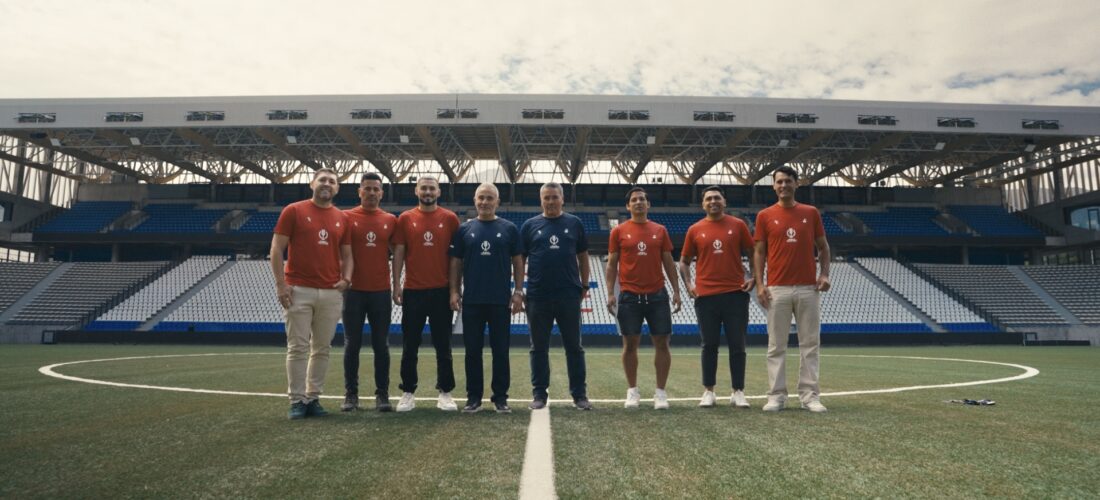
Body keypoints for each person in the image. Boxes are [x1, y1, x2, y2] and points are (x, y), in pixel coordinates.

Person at [270, 167, 353, 420]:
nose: (327, 184)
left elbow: (347, 254)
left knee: (322, 348)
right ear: (312, 183)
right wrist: (281, 284)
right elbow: (277, 248)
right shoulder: (294, 210)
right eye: (322, 180)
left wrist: (346, 279)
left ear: (337, 188)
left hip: (330, 292)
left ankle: (313, 397)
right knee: (297, 347)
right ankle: (297, 400)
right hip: (299, 289)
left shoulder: (342, 218)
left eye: (332, 181)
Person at [753, 165, 831, 413]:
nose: (783, 185)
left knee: (810, 344)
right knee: (776, 345)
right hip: (777, 288)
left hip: (808, 288)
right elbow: (759, 252)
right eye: (779, 182)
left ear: (797, 184)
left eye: (788, 181)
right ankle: (776, 396)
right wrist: (760, 284)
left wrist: (824, 274)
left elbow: (823, 247)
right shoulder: (764, 216)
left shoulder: (810, 212)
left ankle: (809, 396)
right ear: (773, 186)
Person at [448, 183, 525, 414]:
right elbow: (456, 263)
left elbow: (518, 261)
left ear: (497, 202)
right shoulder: (464, 229)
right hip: (472, 301)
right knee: (472, 352)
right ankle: (474, 398)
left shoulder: (509, 228)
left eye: (490, 198)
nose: (485, 202)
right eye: (481, 197)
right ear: (475, 200)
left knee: (500, 351)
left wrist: (518, 291)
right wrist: (454, 290)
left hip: (500, 301)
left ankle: (500, 398)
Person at [678, 185, 756, 409]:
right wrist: (689, 283)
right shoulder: (695, 229)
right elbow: (684, 261)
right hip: (706, 296)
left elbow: (753, 253)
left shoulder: (738, 225)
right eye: (709, 198)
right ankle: (709, 391)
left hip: (735, 294)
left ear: (724, 202)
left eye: (717, 198)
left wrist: (754, 277)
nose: (713, 201)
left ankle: (738, 391)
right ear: (703, 204)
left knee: (737, 344)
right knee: (709, 345)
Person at [606, 187, 681, 410]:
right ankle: (632, 391)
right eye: (634, 200)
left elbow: (668, 262)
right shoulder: (618, 231)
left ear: (648, 204)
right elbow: (612, 264)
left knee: (662, 343)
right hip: (629, 296)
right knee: (630, 345)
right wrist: (610, 293)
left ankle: (660, 393)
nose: (638, 202)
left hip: (657, 295)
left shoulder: (660, 230)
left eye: (642, 199)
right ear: (628, 206)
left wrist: (676, 291)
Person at [521, 182, 593, 410]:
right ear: (541, 200)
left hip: (568, 295)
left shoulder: (575, 223)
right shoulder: (529, 225)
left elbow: (583, 257)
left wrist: (584, 285)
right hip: (537, 296)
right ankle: (539, 394)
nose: (550, 201)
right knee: (538, 348)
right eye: (547, 197)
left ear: (562, 199)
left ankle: (579, 395)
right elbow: (520, 259)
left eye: (554, 197)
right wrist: (519, 289)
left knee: (574, 347)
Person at [392, 176, 461, 412]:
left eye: (432, 188)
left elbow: (456, 258)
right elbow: (399, 252)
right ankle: (408, 392)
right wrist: (397, 284)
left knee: (443, 345)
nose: (428, 192)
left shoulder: (450, 218)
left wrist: (454, 290)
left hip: (441, 291)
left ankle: (445, 392)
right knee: (410, 345)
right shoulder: (405, 218)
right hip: (413, 291)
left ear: (439, 192)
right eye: (424, 188)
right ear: (416, 191)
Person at [341, 173, 397, 412]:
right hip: (353, 291)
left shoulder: (390, 220)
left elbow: (398, 252)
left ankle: (382, 395)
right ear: (359, 191)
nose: (372, 192)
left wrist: (397, 284)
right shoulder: (346, 217)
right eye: (368, 188)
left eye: (376, 189)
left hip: (380, 291)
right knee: (351, 344)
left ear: (381, 193)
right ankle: (351, 395)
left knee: (381, 345)